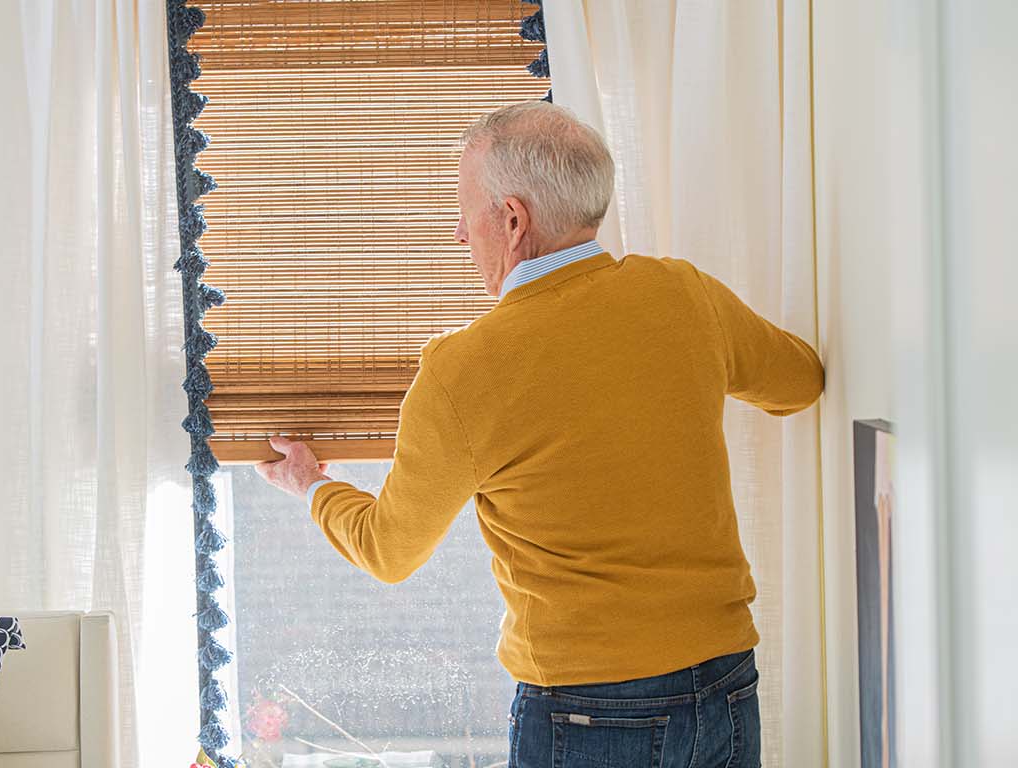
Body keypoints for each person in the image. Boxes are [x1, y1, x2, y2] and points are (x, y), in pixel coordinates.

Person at [253, 101, 824, 768]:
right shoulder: (683, 294)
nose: (460, 233)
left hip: (588, 710)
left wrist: (312, 485)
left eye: (465, 210)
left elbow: (389, 550)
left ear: (513, 219)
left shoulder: (463, 369)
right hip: (725, 682)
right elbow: (800, 382)